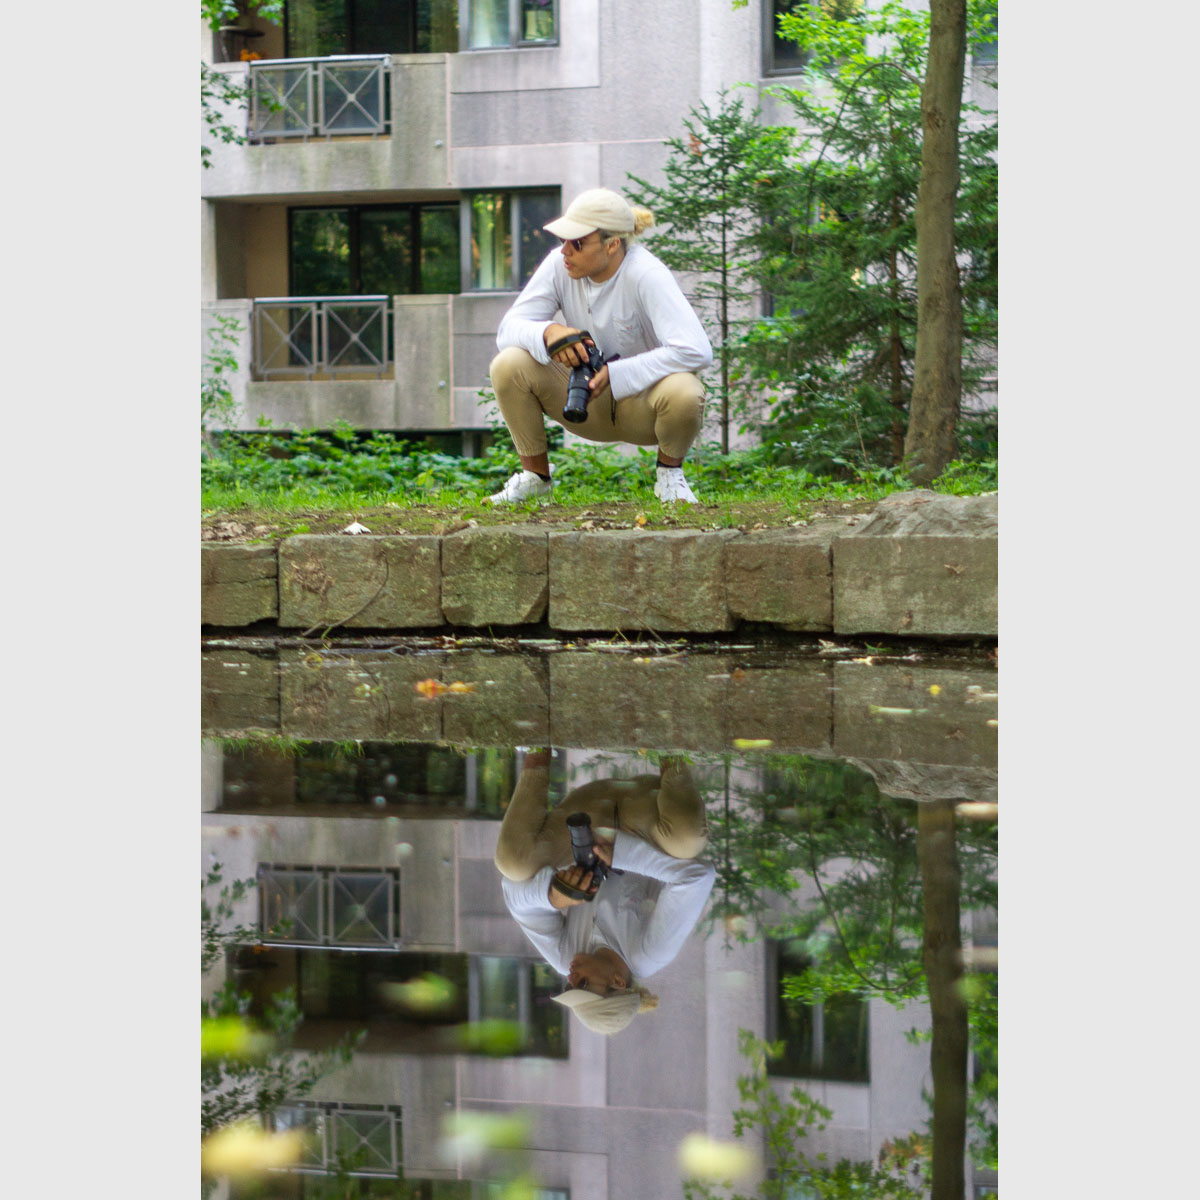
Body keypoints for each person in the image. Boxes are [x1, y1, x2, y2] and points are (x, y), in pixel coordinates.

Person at [486, 188, 713, 506]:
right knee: (507, 363)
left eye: (577, 243)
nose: (565, 250)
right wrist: (550, 333)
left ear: (613, 244)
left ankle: (670, 478)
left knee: (686, 390)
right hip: (582, 402)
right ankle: (536, 480)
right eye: (564, 240)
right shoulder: (558, 266)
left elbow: (697, 350)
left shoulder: (646, 274)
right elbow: (507, 330)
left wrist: (616, 374)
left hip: (643, 407)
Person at [494, 750, 715, 1036]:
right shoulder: (649, 953)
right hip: (644, 815)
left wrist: (553, 896)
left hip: (588, 813)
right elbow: (698, 877)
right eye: (583, 984)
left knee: (513, 863)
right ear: (618, 982)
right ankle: (667, 743)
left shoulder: (565, 959)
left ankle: (537, 746)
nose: (571, 977)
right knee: (687, 841)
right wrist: (622, 856)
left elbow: (513, 896)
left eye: (569, 986)